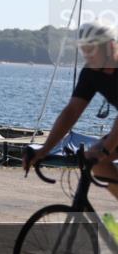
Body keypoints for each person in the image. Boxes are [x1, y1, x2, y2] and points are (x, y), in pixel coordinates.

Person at [23, 20, 118, 200]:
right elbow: (72, 111)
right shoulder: (91, 72)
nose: (87, 55)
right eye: (83, 49)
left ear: (110, 46)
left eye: (91, 49)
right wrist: (45, 149)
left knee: (100, 155)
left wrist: (105, 150)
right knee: (97, 163)